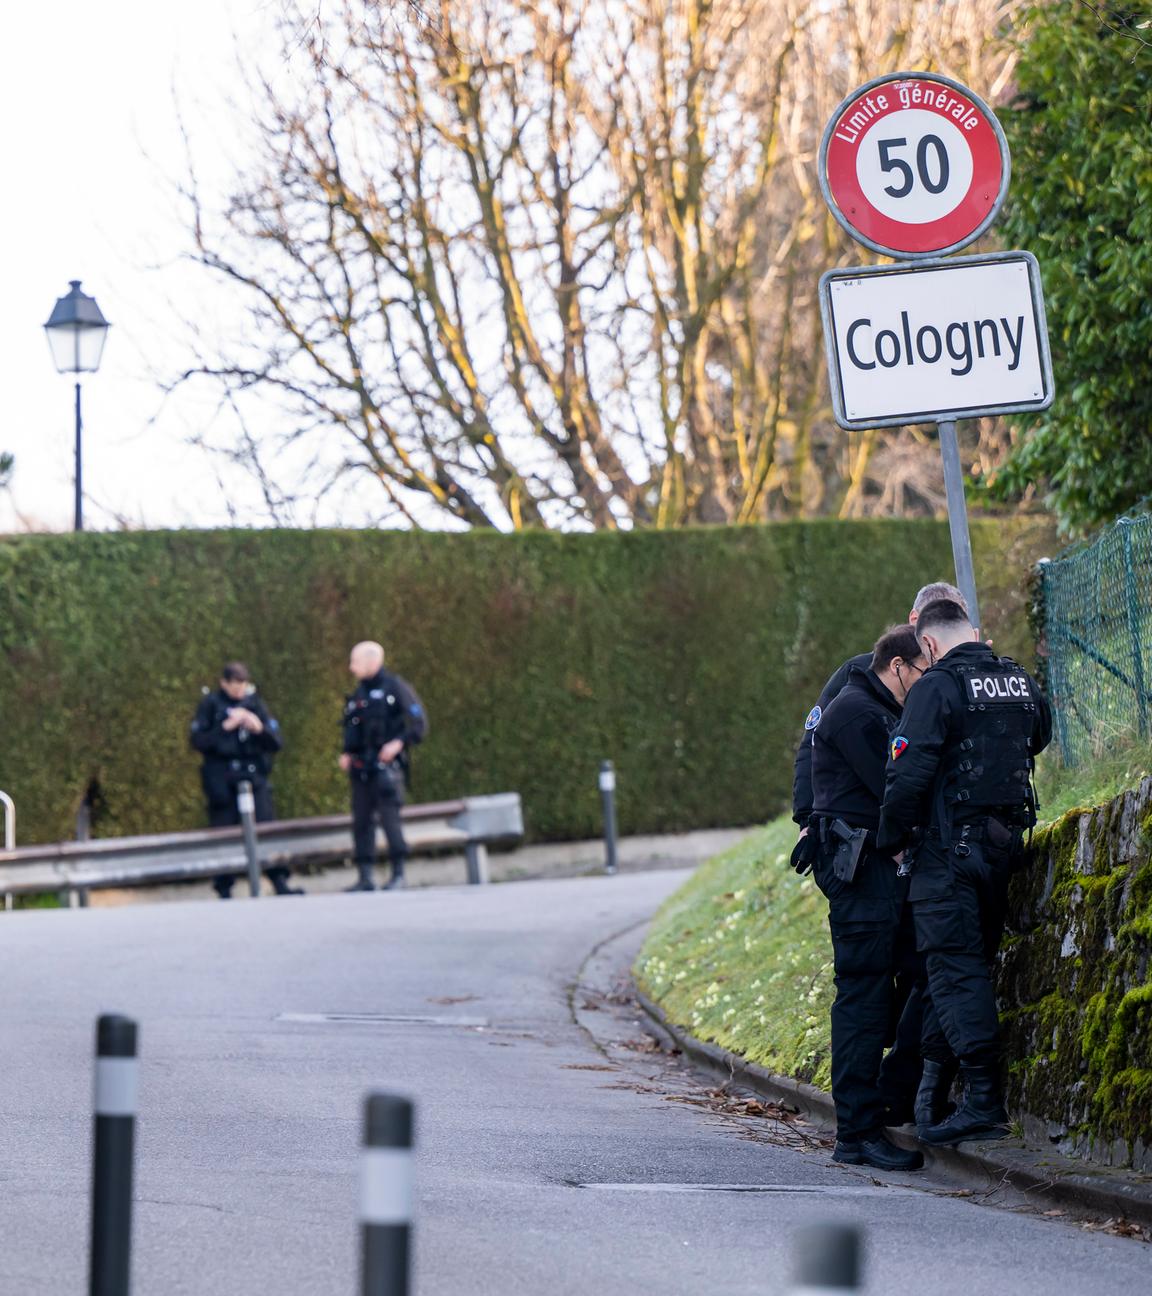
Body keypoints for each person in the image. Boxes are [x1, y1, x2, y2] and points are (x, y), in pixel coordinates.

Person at [877, 599, 1052, 1145]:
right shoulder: (1019, 680)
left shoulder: (937, 686)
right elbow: (1038, 738)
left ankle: (982, 1100)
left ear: (926, 644)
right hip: (1003, 848)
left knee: (955, 972)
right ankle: (932, 1098)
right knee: (964, 970)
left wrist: (892, 841)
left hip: (946, 851)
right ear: (971, 632)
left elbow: (907, 777)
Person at [810, 624, 928, 1172]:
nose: (926, 684)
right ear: (899, 665)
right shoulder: (858, 712)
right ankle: (856, 1134)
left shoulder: (873, 706)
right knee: (862, 995)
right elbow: (892, 790)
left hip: (875, 868)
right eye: (923, 673)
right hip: (862, 872)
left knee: (905, 979)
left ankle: (880, 1105)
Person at [792, 581, 969, 830]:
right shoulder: (859, 675)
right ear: (915, 619)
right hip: (868, 824)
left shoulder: (961, 677)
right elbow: (812, 744)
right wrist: (806, 819)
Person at [189, 662, 301, 898]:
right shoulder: (211, 705)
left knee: (266, 827)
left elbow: (275, 743)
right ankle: (224, 887)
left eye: (243, 685)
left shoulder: (254, 704)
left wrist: (258, 727)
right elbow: (198, 741)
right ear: (224, 683)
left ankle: (279, 880)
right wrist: (226, 727)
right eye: (235, 685)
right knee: (224, 832)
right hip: (222, 778)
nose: (240, 690)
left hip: (254, 776)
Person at [340, 641, 426, 892]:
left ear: (371, 661)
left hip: (388, 770)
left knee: (391, 820)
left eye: (355, 662)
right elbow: (352, 728)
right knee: (361, 822)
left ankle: (398, 873)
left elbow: (418, 725)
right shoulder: (358, 694)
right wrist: (347, 753)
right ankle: (365, 876)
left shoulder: (396, 687)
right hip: (361, 768)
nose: (351, 667)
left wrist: (398, 743)